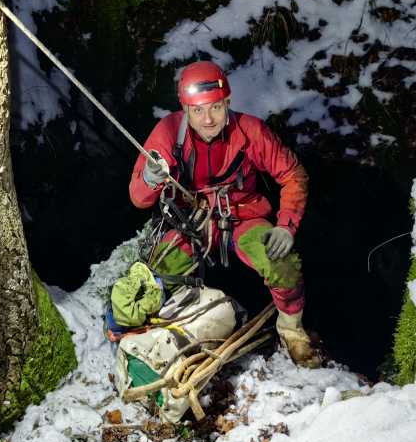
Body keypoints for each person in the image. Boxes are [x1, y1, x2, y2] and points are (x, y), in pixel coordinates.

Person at [129, 60, 320, 366]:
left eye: (216, 108)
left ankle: (292, 332)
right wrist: (151, 179)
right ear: (185, 109)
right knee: (161, 274)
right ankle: (173, 334)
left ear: (227, 103)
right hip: (193, 222)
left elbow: (292, 174)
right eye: (198, 110)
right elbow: (138, 199)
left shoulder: (250, 131)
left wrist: (286, 226)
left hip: (243, 216)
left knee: (282, 263)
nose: (208, 119)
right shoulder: (168, 134)